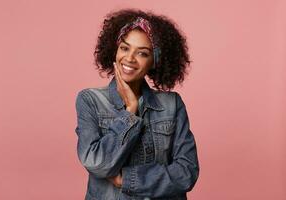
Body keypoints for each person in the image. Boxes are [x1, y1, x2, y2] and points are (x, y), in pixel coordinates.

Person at [75, 9, 199, 200]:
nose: (130, 58)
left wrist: (127, 180)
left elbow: (187, 172)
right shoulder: (90, 101)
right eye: (125, 48)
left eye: (142, 53)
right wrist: (130, 111)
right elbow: (96, 162)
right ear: (115, 50)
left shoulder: (172, 104)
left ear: (154, 61)